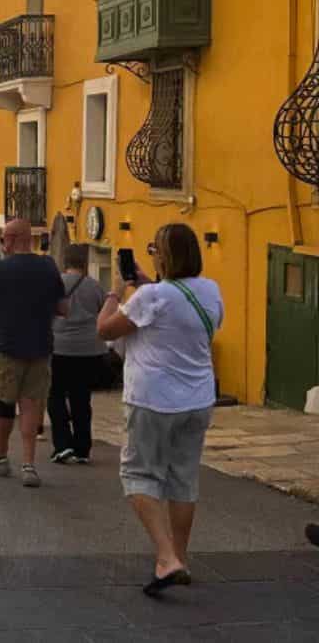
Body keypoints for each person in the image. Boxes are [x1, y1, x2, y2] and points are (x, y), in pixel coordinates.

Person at [98, 224, 223, 598]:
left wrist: (115, 292)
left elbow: (105, 330)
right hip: (198, 398)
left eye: (155, 249)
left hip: (153, 399)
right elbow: (180, 312)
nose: (151, 254)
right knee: (183, 479)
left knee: (138, 474)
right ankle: (179, 557)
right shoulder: (210, 290)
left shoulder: (150, 296)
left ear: (164, 255)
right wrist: (146, 284)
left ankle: (167, 558)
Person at [0, 219, 68, 489]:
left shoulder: (0, 269)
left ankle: (1, 457)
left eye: (4, 239)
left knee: (5, 403)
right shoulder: (49, 266)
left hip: (7, 347)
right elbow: (63, 308)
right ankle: (29, 465)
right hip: (40, 347)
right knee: (31, 405)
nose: (2, 244)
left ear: (13, 238)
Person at [48, 244, 109, 464]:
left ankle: (62, 445)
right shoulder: (95, 286)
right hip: (89, 349)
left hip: (59, 348)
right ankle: (83, 447)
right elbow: (105, 311)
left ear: (65, 261)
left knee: (55, 395)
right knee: (81, 398)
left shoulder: (55, 284)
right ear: (84, 263)